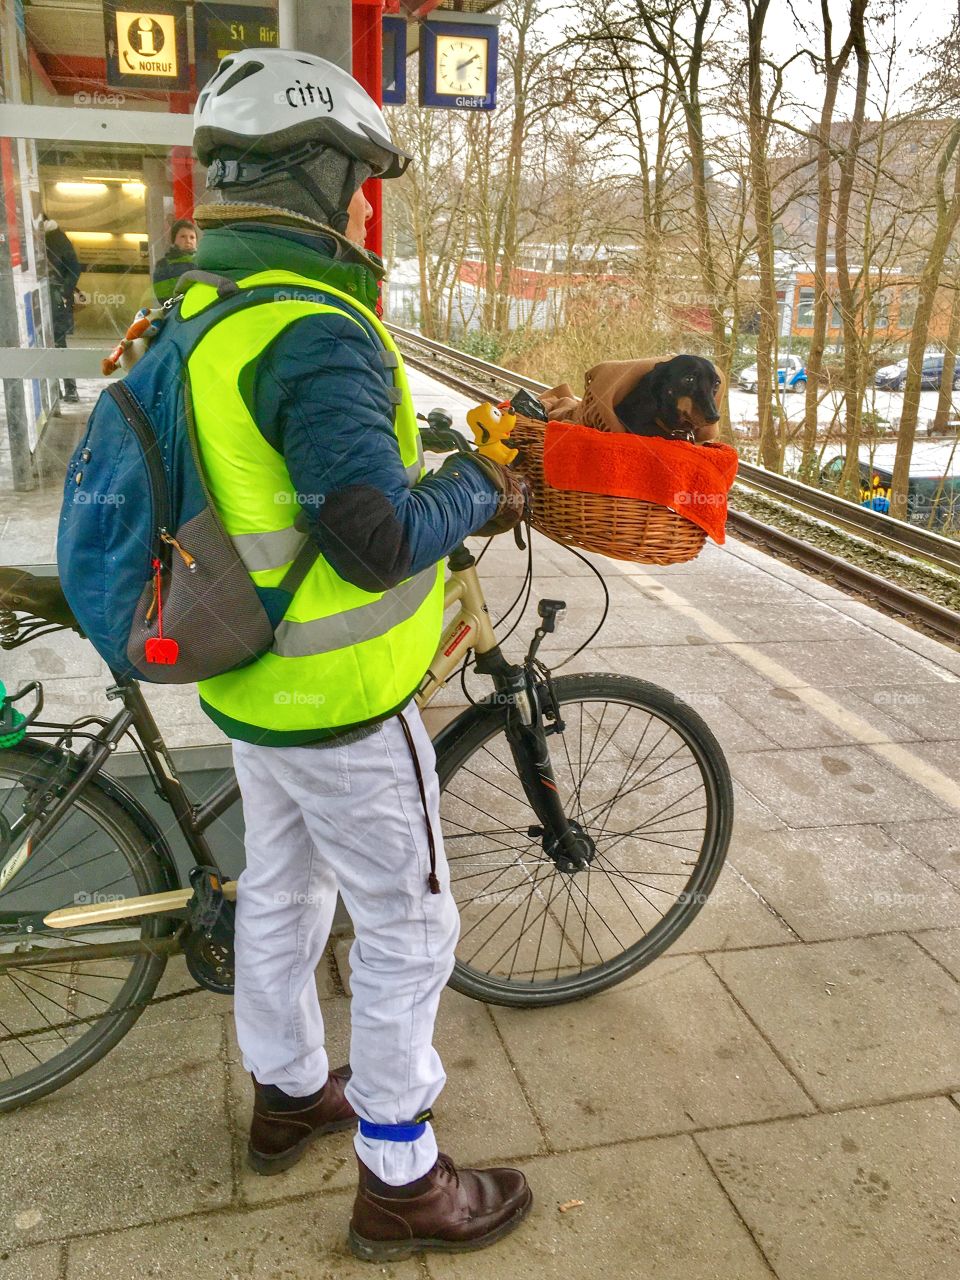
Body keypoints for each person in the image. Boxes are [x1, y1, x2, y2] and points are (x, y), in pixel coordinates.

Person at [188, 49, 532, 1261]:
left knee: (284, 890)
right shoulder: (315, 331)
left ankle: (286, 1091)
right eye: (356, 178)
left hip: (250, 681)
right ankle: (401, 1172)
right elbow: (377, 537)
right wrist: (474, 485)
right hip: (340, 695)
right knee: (412, 925)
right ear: (317, 172)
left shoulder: (205, 311)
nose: (361, 206)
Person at [43, 216, 82, 403]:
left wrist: (64, 291)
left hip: (55, 300)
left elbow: (74, 268)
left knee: (59, 345)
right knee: (46, 347)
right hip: (43, 300)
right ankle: (55, 390)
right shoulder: (36, 237)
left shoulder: (57, 238)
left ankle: (70, 388)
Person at [152, 217, 198, 302]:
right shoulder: (164, 265)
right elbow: (164, 297)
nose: (188, 241)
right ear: (174, 240)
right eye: (183, 236)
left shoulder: (203, 261)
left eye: (192, 237)